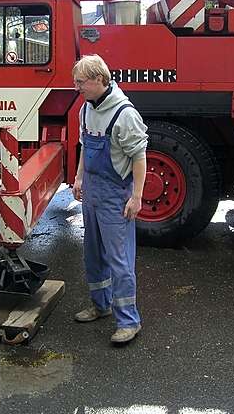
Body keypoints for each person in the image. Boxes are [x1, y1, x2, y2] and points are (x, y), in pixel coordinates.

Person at [71, 54, 148, 344]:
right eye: (76, 81)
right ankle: (100, 305)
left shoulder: (124, 114)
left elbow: (139, 158)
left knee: (119, 260)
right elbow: (83, 145)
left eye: (81, 82)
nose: (77, 87)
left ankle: (129, 321)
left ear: (99, 80)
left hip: (117, 195)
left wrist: (137, 197)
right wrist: (79, 179)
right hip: (92, 189)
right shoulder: (86, 108)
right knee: (93, 253)